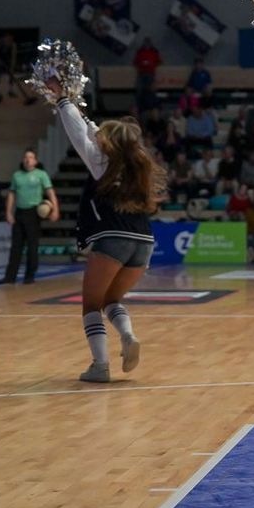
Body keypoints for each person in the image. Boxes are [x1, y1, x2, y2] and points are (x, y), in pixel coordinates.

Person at [51, 80, 165, 382]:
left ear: (110, 142)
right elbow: (90, 130)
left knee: (91, 304)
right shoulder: (137, 166)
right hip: (144, 242)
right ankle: (127, 336)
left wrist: (62, 100)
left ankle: (100, 366)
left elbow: (79, 134)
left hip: (113, 239)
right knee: (112, 300)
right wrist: (77, 105)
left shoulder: (103, 163)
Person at [1, 148, 60, 285]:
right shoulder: (17, 175)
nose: (28, 160)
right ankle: (10, 277)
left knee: (32, 246)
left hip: (34, 213)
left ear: (35, 161)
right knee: (16, 246)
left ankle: (29, 275)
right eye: (26, 157)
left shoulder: (41, 175)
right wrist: (9, 212)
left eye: (31, 157)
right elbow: (11, 194)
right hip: (20, 212)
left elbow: (50, 193)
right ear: (23, 160)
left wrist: (55, 210)